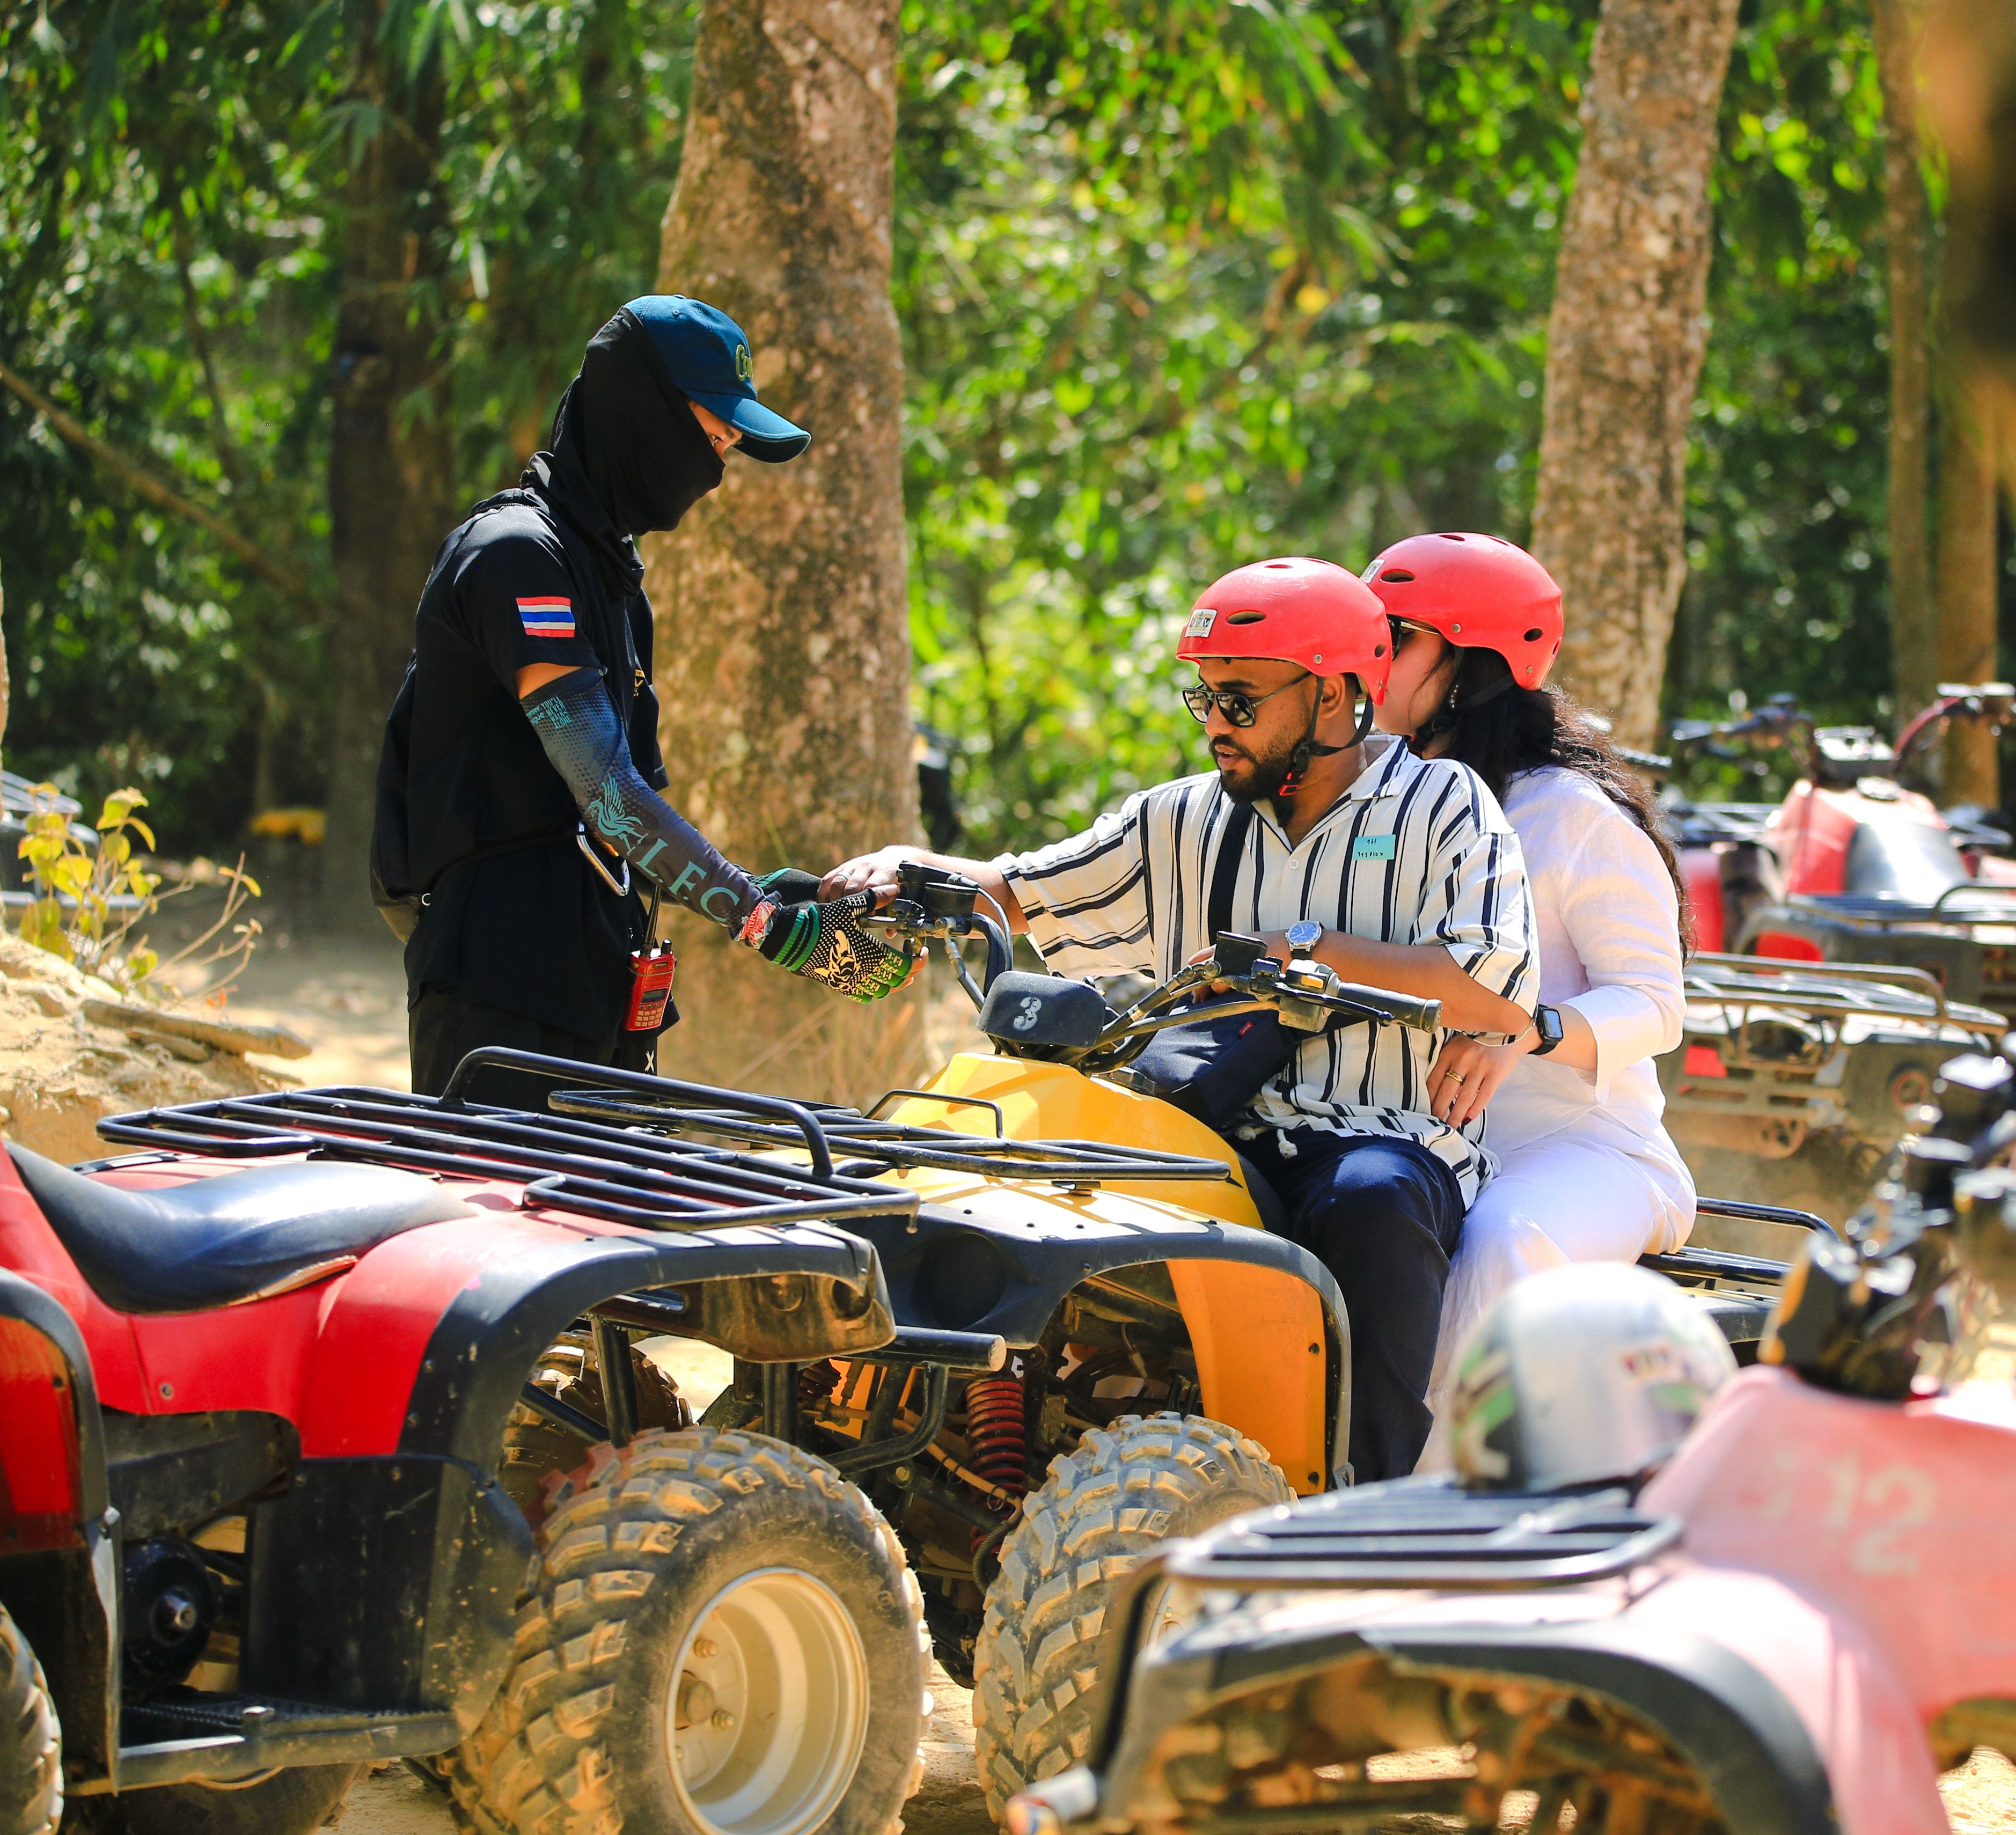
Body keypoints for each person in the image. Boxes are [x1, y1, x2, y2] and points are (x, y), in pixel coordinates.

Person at [819, 557, 1537, 1480]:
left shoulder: (1444, 802)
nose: (1215, 728)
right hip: (1200, 1130)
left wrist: (1310, 950)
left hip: (1376, 1134)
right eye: (1203, 700)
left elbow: (1500, 988)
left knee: (1373, 1199)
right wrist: (910, 872)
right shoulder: (1184, 819)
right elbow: (1025, 892)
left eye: (1239, 701)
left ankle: (1359, 1507)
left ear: (1331, 696)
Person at [371, 296, 910, 1106]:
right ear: (640, 410)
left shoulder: (616, 582)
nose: (721, 463)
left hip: (604, 991)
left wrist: (779, 896)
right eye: (714, 432)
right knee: (506, 1228)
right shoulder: (518, 557)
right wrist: (762, 922)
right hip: (501, 991)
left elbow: (613, 839)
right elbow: (605, 792)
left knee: (614, 1235)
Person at [1358, 533, 1698, 1463]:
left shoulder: (1576, 816)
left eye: (1397, 636)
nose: (1367, 654)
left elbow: (1656, 1005)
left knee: (1501, 1244)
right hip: (1407, 1132)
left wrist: (1530, 1029)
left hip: (1582, 1150)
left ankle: (1417, 1536)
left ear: (1474, 667)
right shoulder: (1375, 799)